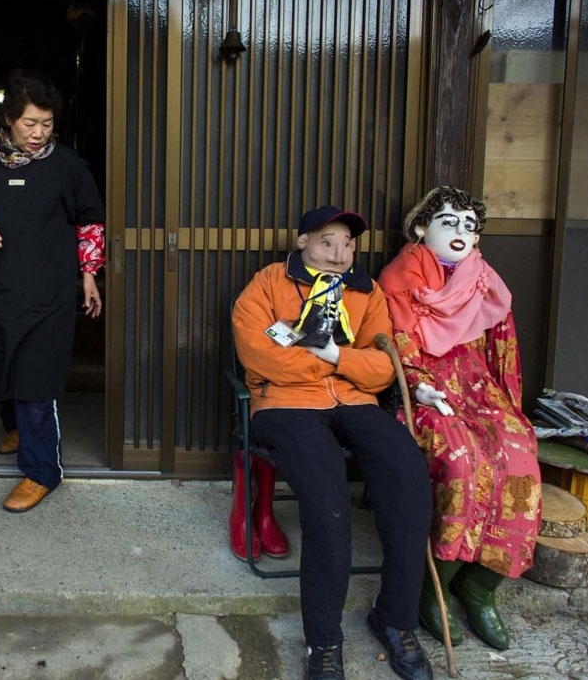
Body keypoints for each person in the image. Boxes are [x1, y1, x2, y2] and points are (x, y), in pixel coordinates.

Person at [232, 206, 434, 680]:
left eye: (348, 244)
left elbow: (384, 367)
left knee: (409, 479)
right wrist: (340, 361)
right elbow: (261, 357)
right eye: (327, 241)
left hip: (355, 402)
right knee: (327, 504)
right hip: (284, 405)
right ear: (303, 242)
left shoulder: (366, 292)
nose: (339, 253)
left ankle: (395, 618)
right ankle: (323, 641)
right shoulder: (267, 284)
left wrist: (334, 356)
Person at [378, 186, 542, 651]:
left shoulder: (485, 281)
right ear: (420, 228)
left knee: (520, 459)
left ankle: (481, 586)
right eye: (449, 222)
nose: (461, 233)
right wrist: (415, 385)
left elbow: (503, 354)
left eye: (470, 226)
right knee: (462, 463)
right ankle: (436, 586)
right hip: (427, 396)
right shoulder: (397, 282)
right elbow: (389, 347)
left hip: (482, 394)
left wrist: (508, 409)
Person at [0, 68, 105, 513]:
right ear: (10, 121)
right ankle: (15, 428)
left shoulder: (69, 167)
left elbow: (91, 222)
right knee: (1, 372)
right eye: (29, 124)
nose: (39, 133)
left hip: (51, 292)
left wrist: (89, 274)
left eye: (47, 124)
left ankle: (41, 471)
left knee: (37, 381)